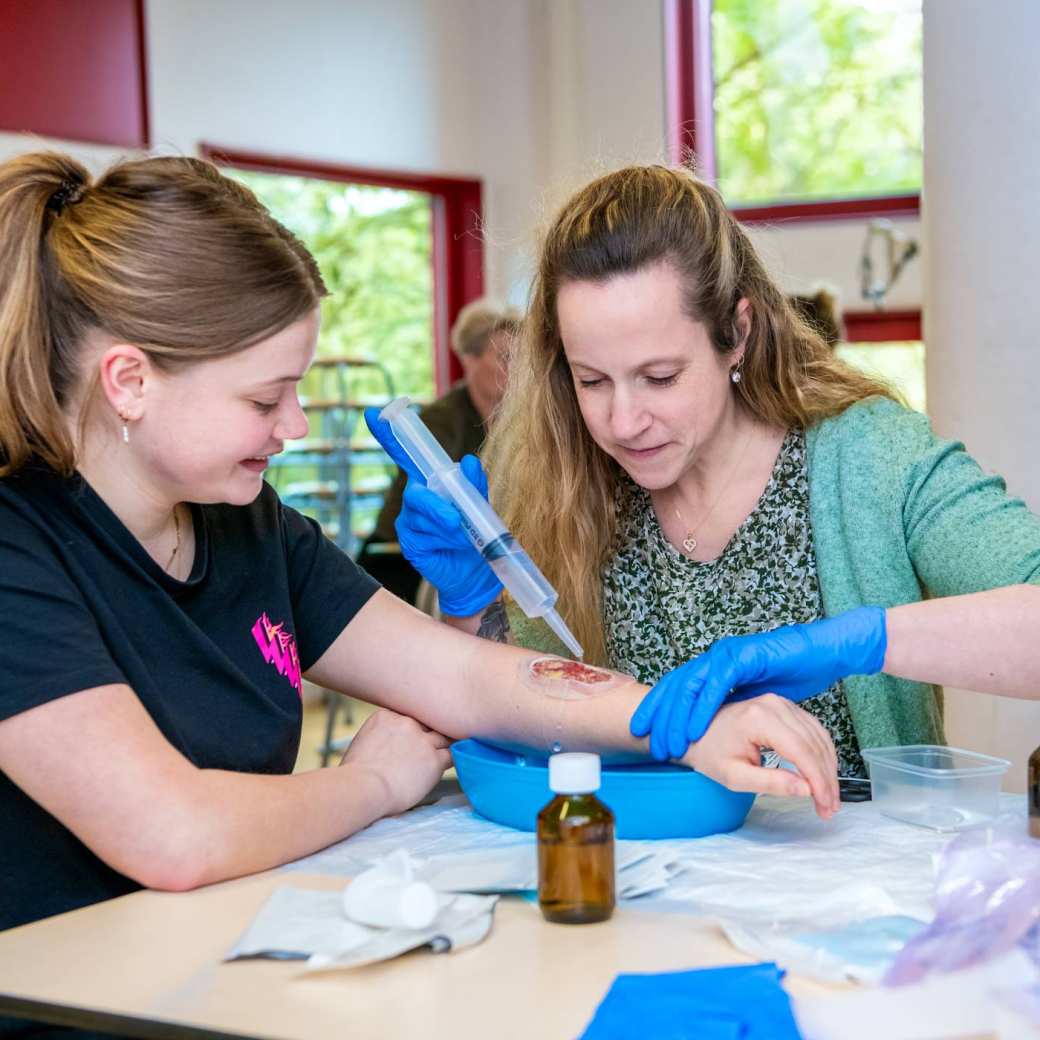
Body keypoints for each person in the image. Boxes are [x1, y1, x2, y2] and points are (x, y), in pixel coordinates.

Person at [0, 150, 841, 992]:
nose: (292, 423)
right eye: (264, 399)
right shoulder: (17, 550)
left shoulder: (246, 526)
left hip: (213, 972)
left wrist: (678, 719)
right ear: (129, 381)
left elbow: (467, 679)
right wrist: (369, 783)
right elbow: (173, 834)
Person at [368, 163, 1040, 777]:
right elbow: (519, 713)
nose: (623, 421)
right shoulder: (573, 479)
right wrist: (472, 607)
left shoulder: (868, 456)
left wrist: (860, 641)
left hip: (850, 888)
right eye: (592, 380)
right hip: (636, 881)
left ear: (737, 333)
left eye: (660, 377)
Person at [358, 298, 521, 603]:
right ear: (470, 360)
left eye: (520, 358)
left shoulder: (516, 422)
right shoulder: (441, 419)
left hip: (471, 556)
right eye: (504, 357)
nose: (514, 369)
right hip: (400, 560)